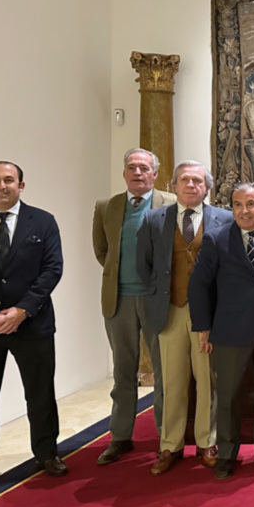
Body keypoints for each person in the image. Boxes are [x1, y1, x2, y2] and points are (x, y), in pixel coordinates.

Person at [137, 160, 233, 475]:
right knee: (172, 381)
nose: (190, 185)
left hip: (208, 314)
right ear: (174, 184)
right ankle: (170, 446)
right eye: (184, 180)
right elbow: (144, 265)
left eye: (197, 180)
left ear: (207, 187)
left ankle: (207, 442)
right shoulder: (154, 219)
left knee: (207, 380)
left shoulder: (225, 219)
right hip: (170, 312)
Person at [189, 182, 254, 479]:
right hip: (230, 329)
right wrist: (203, 327)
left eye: (250, 204)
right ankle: (228, 453)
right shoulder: (216, 239)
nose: (244, 210)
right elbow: (199, 286)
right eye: (237, 204)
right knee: (230, 395)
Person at [92, 148, 175, 466]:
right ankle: (120, 438)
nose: (137, 173)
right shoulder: (107, 207)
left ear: (155, 173)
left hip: (158, 300)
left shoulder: (170, 203)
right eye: (131, 167)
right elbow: (102, 251)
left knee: (164, 371)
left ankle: (166, 438)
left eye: (144, 168)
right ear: (124, 173)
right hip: (119, 301)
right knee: (123, 373)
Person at [0, 161, 67, 479]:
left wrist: (22, 310)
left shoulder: (43, 221)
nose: (1, 185)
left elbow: (52, 269)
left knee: (40, 393)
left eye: (9, 179)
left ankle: (47, 455)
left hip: (33, 323)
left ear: (21, 185)